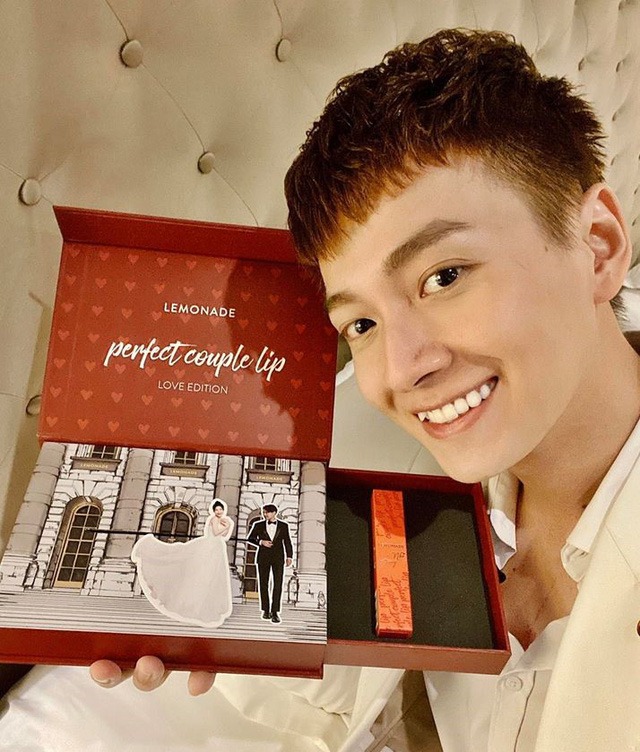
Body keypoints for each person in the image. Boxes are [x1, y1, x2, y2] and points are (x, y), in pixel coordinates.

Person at [90, 28, 640, 751]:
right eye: (361, 323)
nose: (401, 369)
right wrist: (226, 629)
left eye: (444, 277)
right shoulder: (413, 485)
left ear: (598, 247)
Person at [131, 499, 234, 628]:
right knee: (203, 573)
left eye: (221, 509)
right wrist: (228, 525)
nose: (219, 511)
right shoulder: (213, 519)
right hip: (209, 548)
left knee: (214, 576)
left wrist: (226, 527)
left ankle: (208, 603)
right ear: (214, 511)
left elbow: (223, 536)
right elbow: (216, 532)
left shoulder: (222, 520)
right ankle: (195, 604)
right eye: (217, 509)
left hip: (217, 548)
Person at [247, 504, 293, 624]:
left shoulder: (283, 526)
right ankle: (266, 610)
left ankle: (275, 612)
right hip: (263, 558)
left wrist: (289, 556)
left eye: (267, 512)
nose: (265, 514)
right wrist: (261, 542)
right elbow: (250, 538)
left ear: (274, 513)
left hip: (278, 558)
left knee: (278, 584)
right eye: (264, 512)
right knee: (263, 584)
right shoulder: (258, 525)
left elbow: (287, 541)